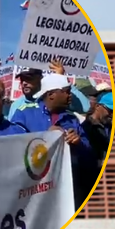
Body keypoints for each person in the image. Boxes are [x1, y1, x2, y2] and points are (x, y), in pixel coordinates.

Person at [10, 73, 94, 207]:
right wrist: (46, 137)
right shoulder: (23, 114)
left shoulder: (72, 119)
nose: (70, 95)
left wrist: (78, 143)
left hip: (66, 189)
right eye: (66, 92)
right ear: (51, 94)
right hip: (34, 190)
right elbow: (14, 147)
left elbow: (89, 156)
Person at [83, 91, 113, 167]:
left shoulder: (109, 126)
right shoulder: (86, 129)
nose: (112, 115)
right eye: (110, 111)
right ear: (97, 106)